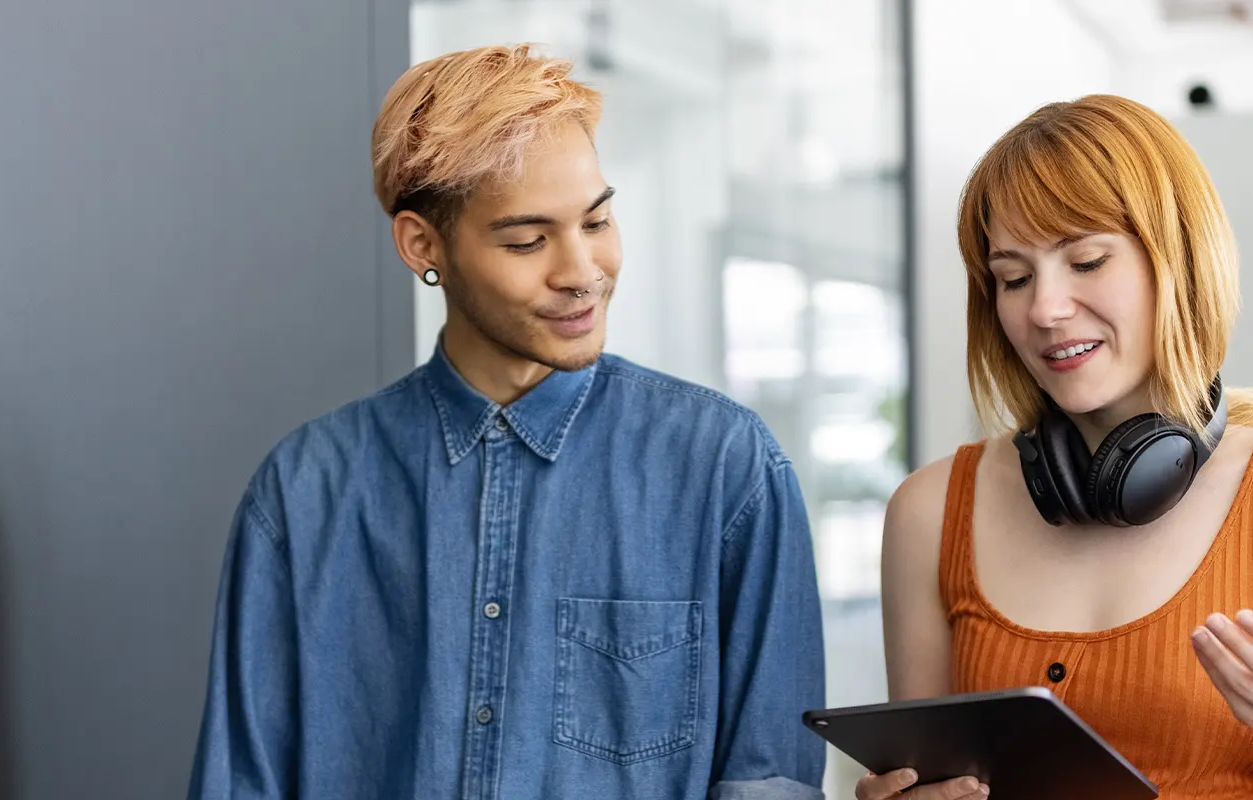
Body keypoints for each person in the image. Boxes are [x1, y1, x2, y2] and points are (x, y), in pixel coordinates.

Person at [190, 44, 827, 800]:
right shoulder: (304, 493)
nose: (582, 271)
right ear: (422, 245)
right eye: (528, 241)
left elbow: (770, 781)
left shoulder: (724, 466)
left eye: (597, 221)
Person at [857, 95, 1253, 800]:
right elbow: (928, 776)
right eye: (1013, 278)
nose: (1044, 308)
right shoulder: (929, 511)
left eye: (1088, 261)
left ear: (1179, 260)